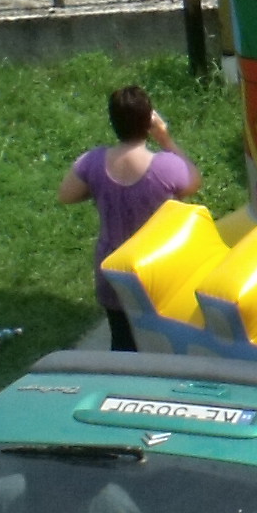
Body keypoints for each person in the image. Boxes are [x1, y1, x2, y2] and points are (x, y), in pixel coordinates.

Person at [64, 85, 200, 352]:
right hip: (157, 271)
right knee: (165, 346)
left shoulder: (92, 162)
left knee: (122, 344)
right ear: (149, 121)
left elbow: (66, 194)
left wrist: (98, 188)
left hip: (113, 272)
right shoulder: (166, 167)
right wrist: (166, 140)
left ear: (113, 122)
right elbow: (193, 181)